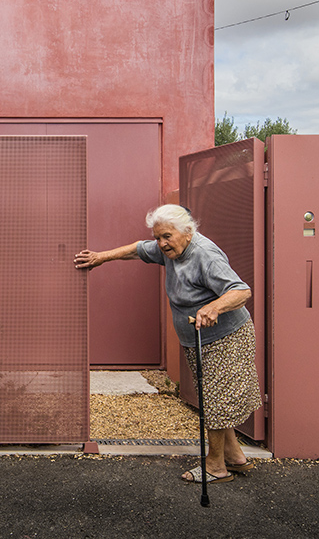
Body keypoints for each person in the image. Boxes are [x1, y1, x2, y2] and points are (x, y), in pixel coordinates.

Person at [74, 203, 261, 484]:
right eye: (158, 237)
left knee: (216, 401)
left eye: (166, 237)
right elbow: (138, 249)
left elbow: (241, 290)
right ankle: (234, 456)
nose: (161, 244)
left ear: (187, 231)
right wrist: (101, 257)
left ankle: (215, 466)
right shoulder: (172, 248)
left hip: (225, 338)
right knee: (214, 398)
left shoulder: (204, 254)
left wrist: (214, 308)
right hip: (198, 339)